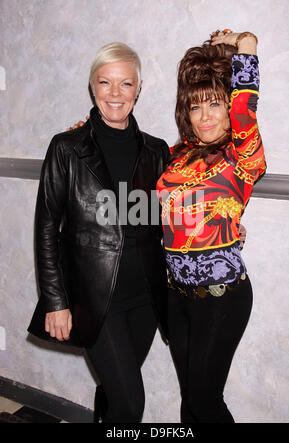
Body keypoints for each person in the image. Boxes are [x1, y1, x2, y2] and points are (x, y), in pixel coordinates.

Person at [27, 42, 169, 423]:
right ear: (93, 87)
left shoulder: (157, 151)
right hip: (95, 300)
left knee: (114, 390)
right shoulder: (67, 148)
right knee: (131, 404)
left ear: (138, 88)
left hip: (145, 301)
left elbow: (172, 217)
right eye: (105, 83)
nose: (115, 93)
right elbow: (46, 228)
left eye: (125, 84)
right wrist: (56, 301)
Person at [156, 30, 266, 423]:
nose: (204, 117)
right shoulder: (174, 156)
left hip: (222, 298)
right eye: (195, 106)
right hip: (174, 296)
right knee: (191, 403)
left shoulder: (243, 154)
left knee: (205, 402)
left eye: (214, 104)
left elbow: (243, 111)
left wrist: (245, 42)